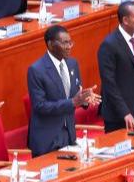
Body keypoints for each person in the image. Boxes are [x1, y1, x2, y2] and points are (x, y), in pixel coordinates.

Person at [27, 26, 99, 156]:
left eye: (70, 42)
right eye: (64, 43)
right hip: (47, 137)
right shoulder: (36, 70)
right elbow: (39, 106)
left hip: (69, 134)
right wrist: (72, 102)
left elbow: (76, 95)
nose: (69, 46)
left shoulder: (73, 64)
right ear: (50, 44)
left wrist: (85, 98)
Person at [98, 2, 134, 132]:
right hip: (119, 115)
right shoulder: (109, 45)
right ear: (125, 20)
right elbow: (109, 84)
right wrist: (125, 112)